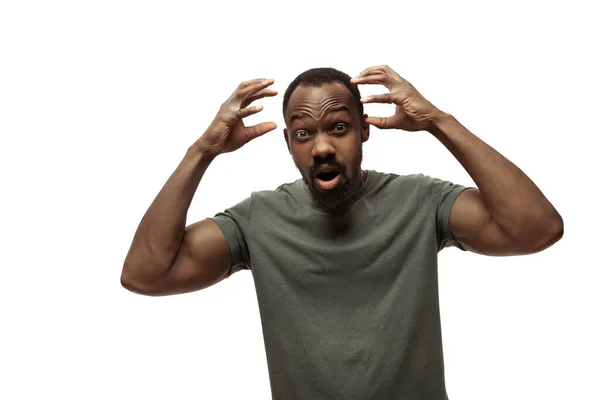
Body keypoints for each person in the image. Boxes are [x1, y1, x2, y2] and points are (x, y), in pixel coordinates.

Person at [121, 65, 563, 399]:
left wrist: (438, 121)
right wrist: (202, 151)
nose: (322, 147)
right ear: (290, 143)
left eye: (338, 127)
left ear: (364, 130)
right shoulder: (257, 220)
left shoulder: (421, 202)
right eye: (303, 133)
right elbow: (146, 274)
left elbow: (536, 229)